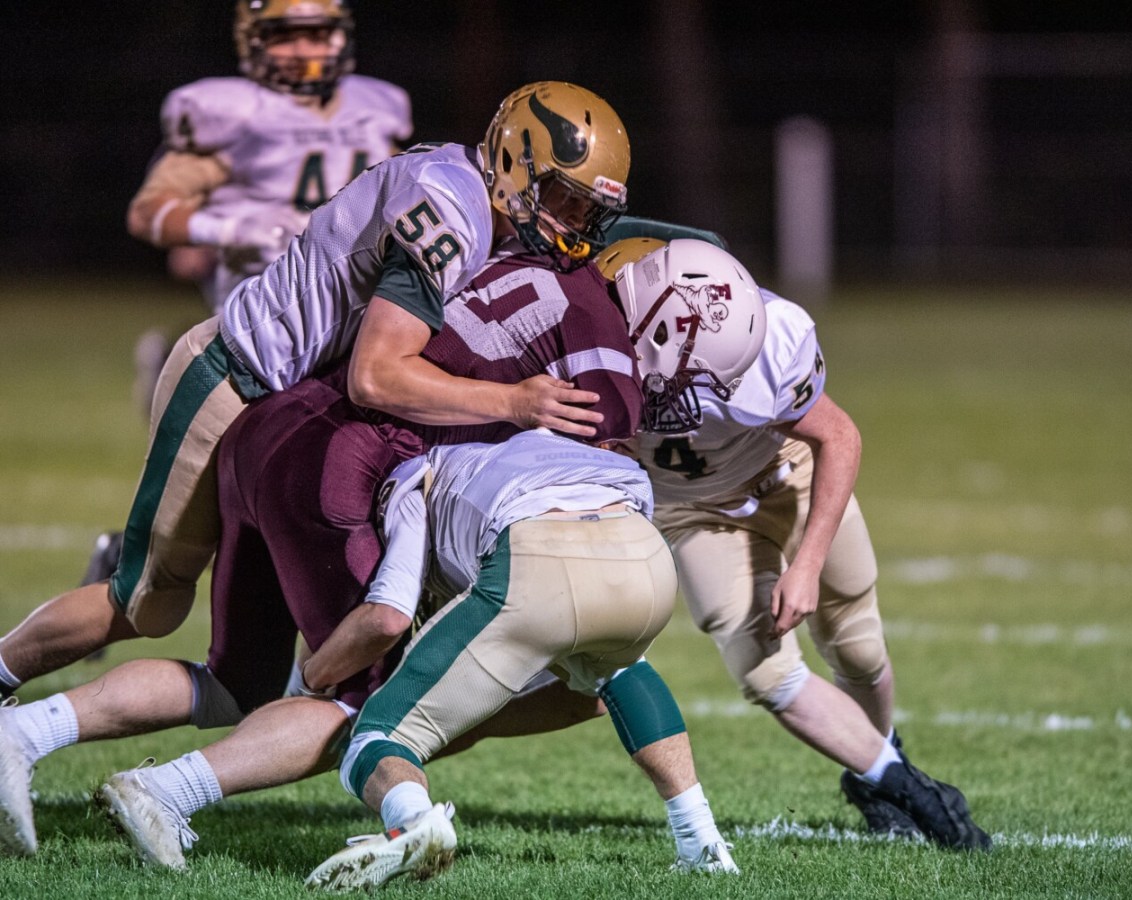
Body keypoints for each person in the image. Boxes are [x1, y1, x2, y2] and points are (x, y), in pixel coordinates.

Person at [0, 237, 688, 864]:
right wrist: (322, 675)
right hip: (344, 461)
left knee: (235, 681)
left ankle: (28, 730)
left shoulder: (492, 254)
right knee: (371, 707)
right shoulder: (591, 343)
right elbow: (384, 617)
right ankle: (186, 794)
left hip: (270, 425)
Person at [0, 80, 630, 701]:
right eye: (561, 199)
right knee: (147, 601)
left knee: (248, 675)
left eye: (585, 211)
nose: (570, 224)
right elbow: (376, 375)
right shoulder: (451, 210)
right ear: (514, 161)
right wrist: (514, 402)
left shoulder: (473, 193)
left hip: (282, 409)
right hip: (233, 379)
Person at [595, 237, 991, 849]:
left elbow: (838, 436)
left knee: (858, 648)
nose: (713, 384)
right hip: (693, 508)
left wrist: (806, 565)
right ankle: (898, 781)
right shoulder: (588, 333)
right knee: (763, 668)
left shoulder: (770, 338)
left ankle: (877, 770)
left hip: (789, 471)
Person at [306, 428, 741, 891]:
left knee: (376, 735)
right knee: (621, 669)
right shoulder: (532, 447)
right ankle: (703, 843)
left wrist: (312, 677)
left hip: (537, 557)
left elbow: (389, 613)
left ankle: (413, 822)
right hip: (646, 559)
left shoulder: (408, 482)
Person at [80, 0, 416, 588]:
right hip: (261, 342)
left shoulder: (376, 108)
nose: (306, 50)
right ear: (253, 42)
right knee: (208, 524)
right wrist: (231, 227)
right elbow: (148, 212)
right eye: (287, 36)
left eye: (318, 33)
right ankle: (125, 565)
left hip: (354, 330)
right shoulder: (230, 115)